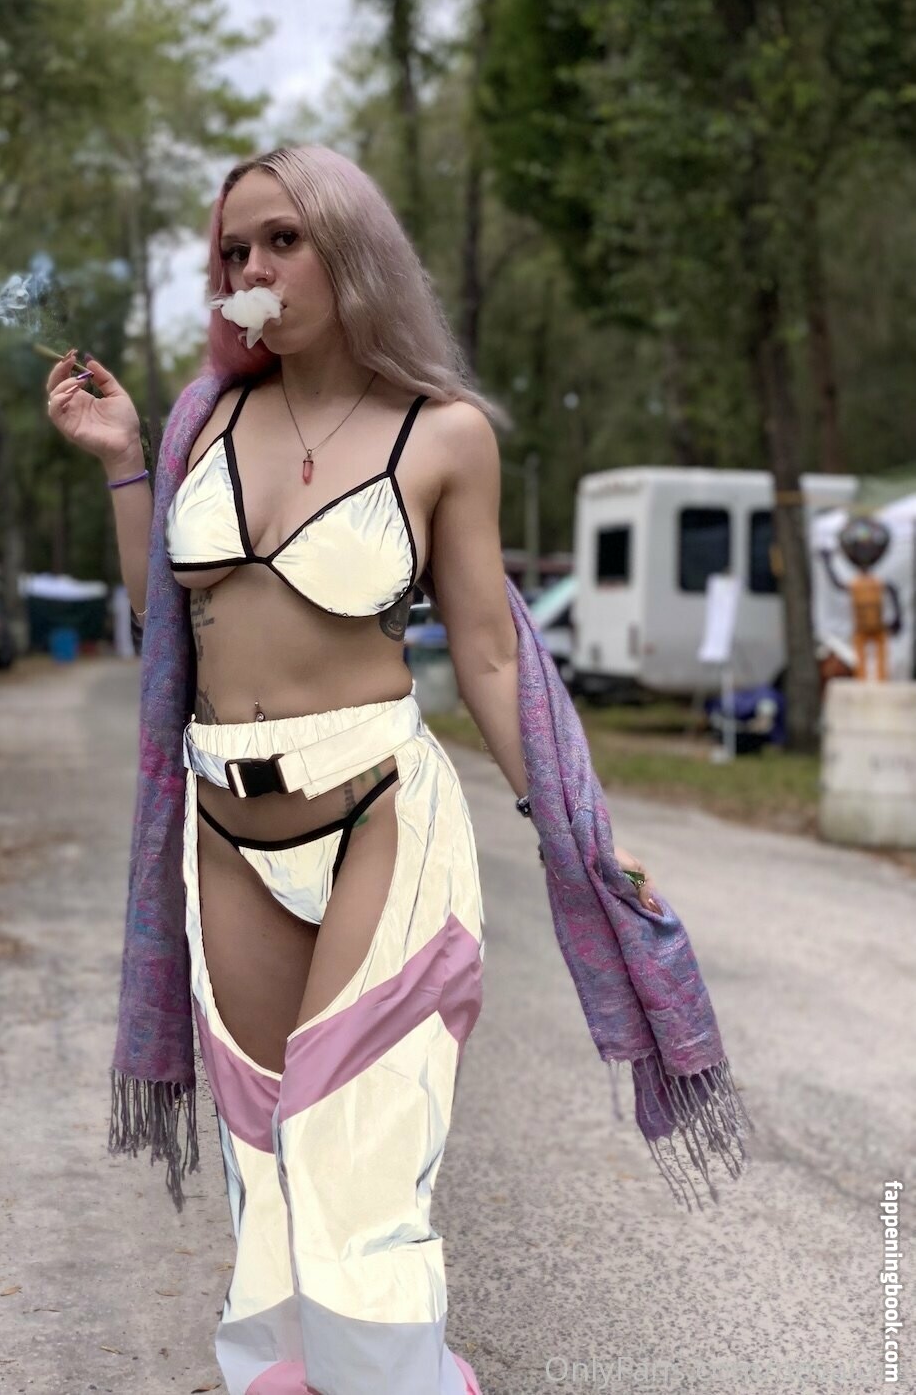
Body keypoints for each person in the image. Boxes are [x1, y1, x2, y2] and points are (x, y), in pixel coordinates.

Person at [45, 144, 660, 1395]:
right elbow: (166, 624)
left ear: (351, 247)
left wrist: (572, 823)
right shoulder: (205, 419)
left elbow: (488, 650)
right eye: (234, 249)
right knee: (267, 1147)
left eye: (284, 239)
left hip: (381, 806)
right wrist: (122, 457)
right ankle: (286, 1378)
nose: (254, 266)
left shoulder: (444, 434)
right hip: (228, 818)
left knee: (354, 1137)